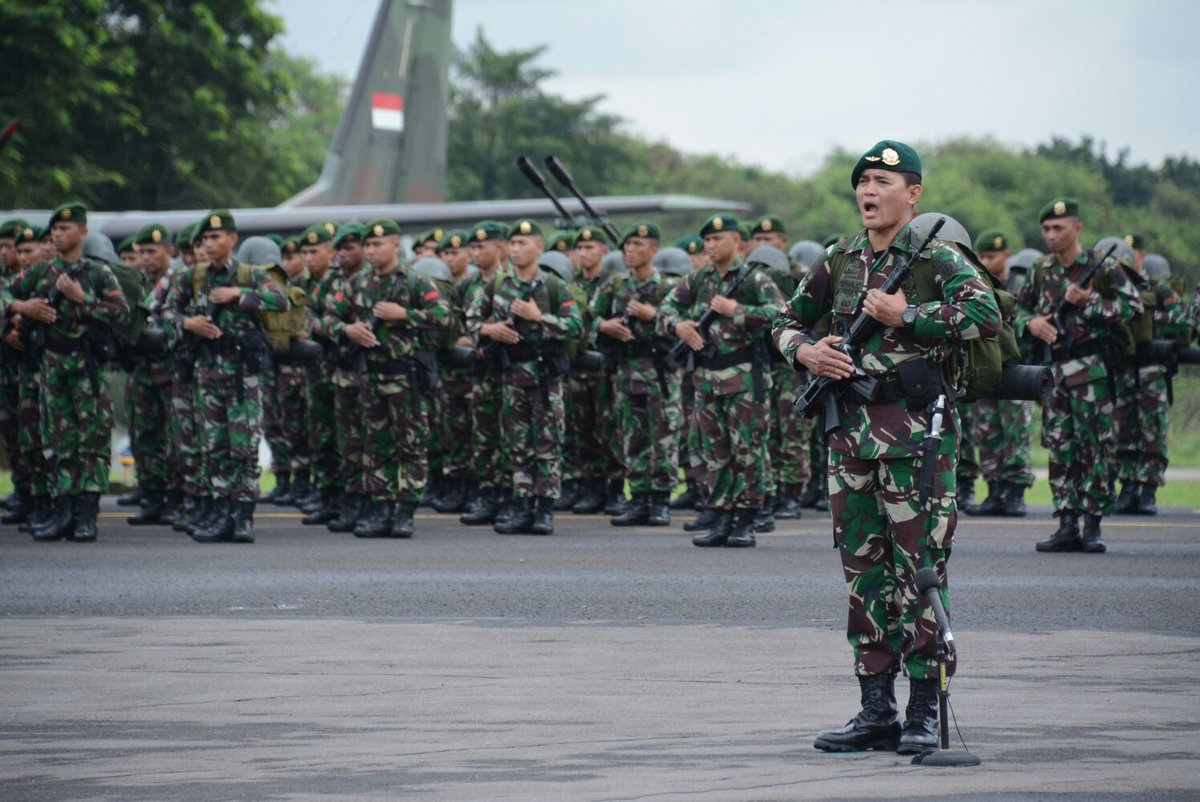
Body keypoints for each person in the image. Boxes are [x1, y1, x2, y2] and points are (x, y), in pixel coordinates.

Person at [773, 141, 1002, 753]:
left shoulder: (939, 258)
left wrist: (910, 315)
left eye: (883, 181)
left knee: (919, 573)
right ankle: (876, 708)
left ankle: (925, 709)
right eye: (863, 182)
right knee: (863, 575)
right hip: (849, 439)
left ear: (913, 194)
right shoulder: (839, 258)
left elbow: (987, 316)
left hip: (917, 441)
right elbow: (783, 319)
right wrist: (803, 350)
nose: (869, 192)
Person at [1014, 198, 1141, 553]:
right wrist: (1033, 323)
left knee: (1095, 448)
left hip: (1092, 373)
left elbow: (1133, 306)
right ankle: (1067, 523)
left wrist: (1090, 302)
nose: (1050, 235)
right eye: (1046, 229)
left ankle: (1094, 525)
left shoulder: (1104, 267)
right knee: (1059, 447)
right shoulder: (1040, 269)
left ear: (1077, 228)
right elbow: (1019, 309)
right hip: (1054, 371)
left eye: (1058, 228)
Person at [5, 202, 130, 542]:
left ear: (83, 232)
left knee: (92, 443)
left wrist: (81, 298)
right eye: (55, 230)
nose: (58, 235)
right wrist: (21, 306)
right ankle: (63, 513)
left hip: (87, 370)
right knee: (58, 442)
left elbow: (122, 314)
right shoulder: (39, 273)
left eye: (65, 229)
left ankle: (87, 516)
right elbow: (5, 291)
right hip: (52, 368)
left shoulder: (98, 274)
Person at [659, 213, 785, 548]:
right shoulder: (697, 279)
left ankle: (746, 519)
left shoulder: (754, 279)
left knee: (747, 450)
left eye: (718, 239)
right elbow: (665, 309)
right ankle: (722, 515)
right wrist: (679, 327)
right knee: (715, 451)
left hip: (745, 380)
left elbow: (784, 316)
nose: (711, 245)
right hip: (706, 379)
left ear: (737, 242)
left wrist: (736, 310)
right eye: (707, 240)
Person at [167, 209, 287, 543]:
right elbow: (163, 310)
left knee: (244, 448)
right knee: (214, 447)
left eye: (217, 236)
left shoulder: (249, 274)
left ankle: (244, 517)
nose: (210, 243)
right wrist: (187, 324)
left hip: (243, 376)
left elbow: (281, 299)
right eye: (206, 238)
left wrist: (239, 295)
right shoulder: (192, 276)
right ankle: (220, 513)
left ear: (232, 239)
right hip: (208, 372)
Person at [465, 219, 583, 535]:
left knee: (548, 444)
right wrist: (491, 330)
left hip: (545, 378)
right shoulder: (497, 286)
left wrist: (539, 318)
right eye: (513, 243)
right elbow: (471, 321)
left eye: (524, 243)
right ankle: (521, 504)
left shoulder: (555, 287)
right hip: (512, 376)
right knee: (517, 445)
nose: (517, 249)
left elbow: (576, 327)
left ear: (539, 247)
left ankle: (543, 509)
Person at [341, 219, 451, 538]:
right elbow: (323, 317)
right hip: (371, 378)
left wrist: (406, 315)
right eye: (369, 245)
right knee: (377, 445)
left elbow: (444, 316)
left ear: (395, 245)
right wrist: (347, 330)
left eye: (379, 244)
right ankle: (382, 505)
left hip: (406, 378)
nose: (372, 251)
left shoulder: (416, 282)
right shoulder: (357, 284)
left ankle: (405, 510)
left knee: (412, 445)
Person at [592, 222, 680, 526]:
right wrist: (605, 327)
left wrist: (653, 317)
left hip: (659, 373)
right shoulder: (614, 286)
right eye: (627, 245)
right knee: (632, 436)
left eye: (638, 245)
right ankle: (639, 496)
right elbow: (587, 318)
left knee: (663, 436)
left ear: (654, 249)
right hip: (625, 371)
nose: (630, 251)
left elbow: (684, 327)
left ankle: (660, 500)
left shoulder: (668, 287)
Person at [964, 230, 1035, 516]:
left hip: (1018, 368)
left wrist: (1028, 323)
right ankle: (994, 491)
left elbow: (1036, 313)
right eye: (980, 256)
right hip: (988, 366)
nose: (984, 261)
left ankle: (1015, 493)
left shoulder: (1022, 283)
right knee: (987, 430)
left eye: (990, 256)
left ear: (1006, 254)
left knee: (1017, 430)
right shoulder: (975, 283)